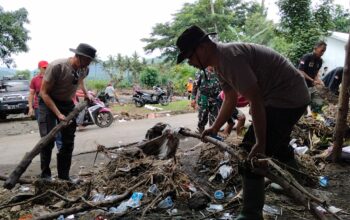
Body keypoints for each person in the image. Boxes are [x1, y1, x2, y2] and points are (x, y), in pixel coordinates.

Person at [176, 25, 310, 220]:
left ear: (202, 48)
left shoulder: (230, 58)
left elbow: (255, 101)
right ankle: (297, 181)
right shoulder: (219, 63)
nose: (189, 62)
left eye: (189, 56)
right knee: (278, 143)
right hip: (288, 96)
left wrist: (260, 143)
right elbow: (229, 98)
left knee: (250, 152)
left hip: (287, 98)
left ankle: (251, 214)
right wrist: (214, 127)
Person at [39, 43, 96, 181]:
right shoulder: (57, 67)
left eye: (90, 62)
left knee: (68, 141)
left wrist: (86, 93)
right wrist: (58, 114)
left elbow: (80, 81)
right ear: (77, 56)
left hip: (67, 103)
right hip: (48, 102)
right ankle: (45, 176)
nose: (87, 65)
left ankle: (64, 176)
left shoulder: (84, 69)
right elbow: (43, 93)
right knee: (48, 140)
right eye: (86, 61)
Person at [28, 60, 62, 150]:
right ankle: (45, 148)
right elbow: (31, 94)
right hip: (39, 107)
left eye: (47, 67)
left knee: (56, 127)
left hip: (52, 105)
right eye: (44, 68)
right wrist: (30, 108)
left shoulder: (52, 78)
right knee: (44, 129)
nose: (46, 69)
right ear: (40, 68)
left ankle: (60, 148)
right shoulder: (35, 80)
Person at [298, 41, 327, 114]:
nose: (323, 53)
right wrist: (312, 80)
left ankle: (311, 114)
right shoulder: (307, 57)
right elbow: (301, 71)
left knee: (318, 102)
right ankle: (305, 114)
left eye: (324, 51)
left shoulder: (320, 61)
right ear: (315, 48)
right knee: (304, 101)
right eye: (322, 50)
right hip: (301, 84)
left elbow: (316, 73)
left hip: (311, 85)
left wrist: (319, 81)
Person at [191, 66, 221, 133]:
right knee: (203, 116)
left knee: (214, 116)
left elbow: (222, 86)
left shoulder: (218, 71)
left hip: (215, 97)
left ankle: (212, 133)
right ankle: (201, 131)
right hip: (203, 97)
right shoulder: (201, 72)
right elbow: (195, 86)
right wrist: (193, 99)